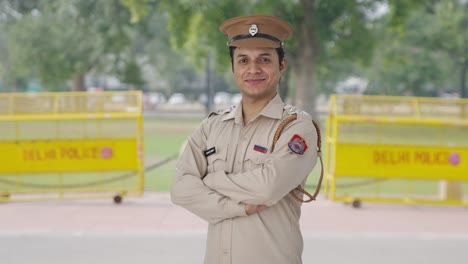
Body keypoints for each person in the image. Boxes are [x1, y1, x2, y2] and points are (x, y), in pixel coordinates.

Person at [171, 14, 319, 264]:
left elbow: (267, 188)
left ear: (281, 65)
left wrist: (211, 180)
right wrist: (237, 207)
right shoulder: (212, 126)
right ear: (233, 67)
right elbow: (180, 189)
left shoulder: (296, 127)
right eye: (243, 60)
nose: (253, 69)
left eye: (264, 59)